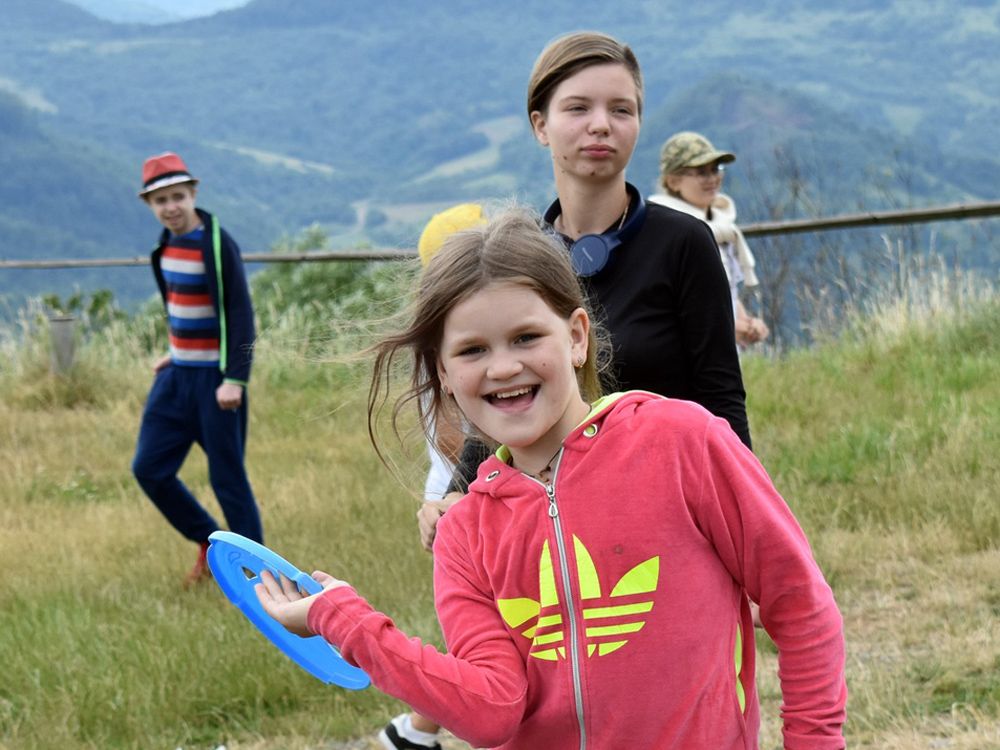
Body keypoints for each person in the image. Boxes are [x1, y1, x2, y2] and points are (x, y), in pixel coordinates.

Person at [255, 208, 848, 749]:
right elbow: (492, 711)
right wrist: (344, 618)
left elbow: (801, 606)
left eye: (526, 337)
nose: (504, 366)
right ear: (443, 369)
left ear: (576, 337)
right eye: (471, 350)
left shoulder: (682, 443)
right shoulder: (465, 534)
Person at [419, 31, 752, 554]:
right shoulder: (516, 256)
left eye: (621, 109)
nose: (601, 124)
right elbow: (503, 395)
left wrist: (748, 530)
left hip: (671, 519)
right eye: (578, 108)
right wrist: (454, 495)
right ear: (540, 125)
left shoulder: (685, 243)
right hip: (544, 531)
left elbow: (721, 398)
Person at [131, 152, 262, 587]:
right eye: (161, 200)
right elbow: (180, 307)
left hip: (216, 383)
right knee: (149, 468)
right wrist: (175, 350)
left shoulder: (217, 243)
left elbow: (239, 313)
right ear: (149, 204)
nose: (171, 207)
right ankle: (210, 543)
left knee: (228, 480)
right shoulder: (163, 247)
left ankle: (256, 576)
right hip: (177, 378)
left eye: (178, 197)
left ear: (193, 194)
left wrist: (235, 378)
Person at [649, 131, 770, 348]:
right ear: (673, 181)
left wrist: (746, 322)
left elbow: (725, 289)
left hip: (722, 349)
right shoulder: (665, 231)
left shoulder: (721, 226)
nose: (713, 179)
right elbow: (667, 303)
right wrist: (727, 325)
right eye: (701, 172)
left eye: (716, 169)